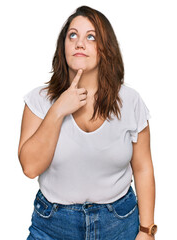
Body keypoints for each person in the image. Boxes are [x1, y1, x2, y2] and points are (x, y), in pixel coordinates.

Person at [18, 5, 157, 240]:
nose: (79, 43)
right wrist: (58, 109)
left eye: (90, 37)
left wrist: (147, 230)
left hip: (120, 224)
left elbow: (143, 168)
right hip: (53, 226)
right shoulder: (39, 100)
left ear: (105, 49)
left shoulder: (130, 101)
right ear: (63, 47)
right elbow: (30, 168)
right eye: (73, 35)